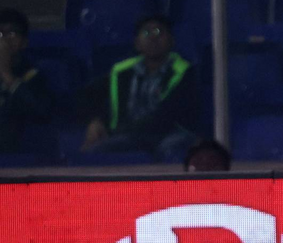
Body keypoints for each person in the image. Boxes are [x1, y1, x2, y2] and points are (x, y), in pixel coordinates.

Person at [81, 15, 201, 160]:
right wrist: (95, 120)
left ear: (171, 41)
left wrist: (120, 131)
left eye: (158, 32)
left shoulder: (184, 71)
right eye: (146, 32)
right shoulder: (121, 71)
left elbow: (167, 116)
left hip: (169, 133)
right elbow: (89, 97)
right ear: (137, 43)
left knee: (169, 149)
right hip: (130, 135)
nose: (153, 37)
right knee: (96, 150)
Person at [0, 9, 53, 154]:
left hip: (18, 154)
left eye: (11, 34)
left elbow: (40, 112)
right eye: (0, 34)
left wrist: (5, 72)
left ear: (24, 42)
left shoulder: (34, 75)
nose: (4, 41)